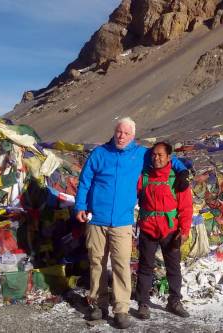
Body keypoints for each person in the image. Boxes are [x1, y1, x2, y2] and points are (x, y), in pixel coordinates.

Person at [74, 117, 189, 329]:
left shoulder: (141, 154)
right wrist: (80, 206)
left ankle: (121, 309)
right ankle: (98, 304)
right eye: (119, 132)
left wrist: (182, 171)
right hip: (96, 219)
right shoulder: (99, 153)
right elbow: (85, 180)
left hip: (123, 221)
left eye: (126, 133)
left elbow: (165, 157)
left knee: (121, 265)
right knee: (97, 262)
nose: (121, 136)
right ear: (114, 132)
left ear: (133, 136)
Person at [134, 142, 192, 320]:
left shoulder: (177, 179)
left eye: (160, 155)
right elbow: (129, 196)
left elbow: (186, 206)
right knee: (145, 267)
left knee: (173, 267)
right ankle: (143, 303)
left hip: (170, 229)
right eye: (154, 155)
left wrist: (184, 230)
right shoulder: (144, 177)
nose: (156, 158)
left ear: (168, 157)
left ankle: (174, 301)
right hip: (148, 228)